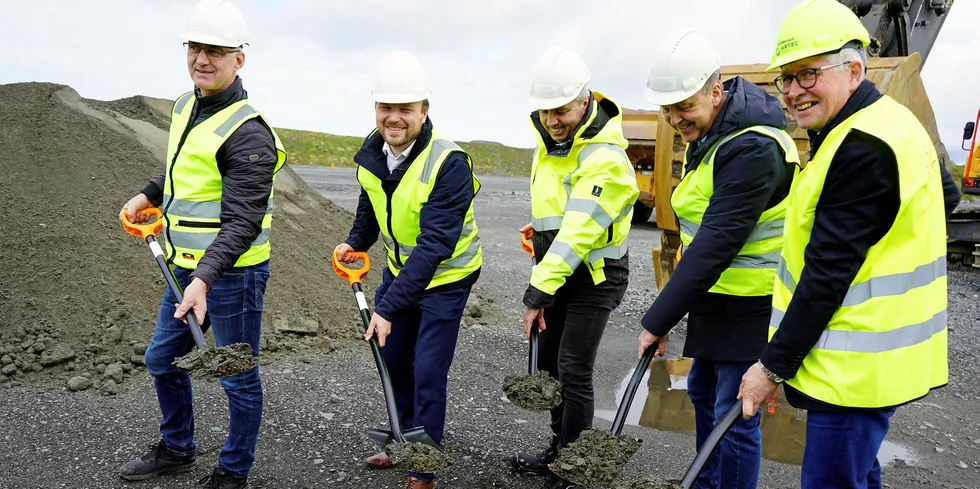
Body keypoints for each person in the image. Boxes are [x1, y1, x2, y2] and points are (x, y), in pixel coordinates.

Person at [737, 1, 961, 488]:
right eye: (786, 78)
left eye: (808, 75)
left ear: (854, 69)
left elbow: (826, 276)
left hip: (853, 368)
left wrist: (770, 367)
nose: (793, 91)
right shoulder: (894, 123)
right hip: (876, 359)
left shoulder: (862, 147)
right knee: (856, 475)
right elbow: (948, 195)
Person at [118, 0, 287, 488]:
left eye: (216, 51)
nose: (202, 59)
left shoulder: (248, 132)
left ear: (239, 59)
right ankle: (177, 448)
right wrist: (148, 193)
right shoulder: (185, 104)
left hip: (232, 276)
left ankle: (233, 472)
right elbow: (182, 169)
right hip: (185, 269)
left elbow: (243, 222)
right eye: (195, 47)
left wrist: (205, 281)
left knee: (236, 375)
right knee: (161, 359)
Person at [637, 29, 800, 489]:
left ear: (715, 90)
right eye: (667, 109)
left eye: (683, 106)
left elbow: (717, 242)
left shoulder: (755, 148)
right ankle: (706, 483)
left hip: (753, 302)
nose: (674, 118)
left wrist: (657, 319)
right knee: (704, 394)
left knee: (735, 412)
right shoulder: (714, 131)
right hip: (717, 297)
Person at [334, 50, 483, 489]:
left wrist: (387, 307)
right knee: (394, 361)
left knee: (428, 371)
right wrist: (355, 241)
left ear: (424, 110)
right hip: (401, 272)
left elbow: (435, 245)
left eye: (405, 109)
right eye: (386, 108)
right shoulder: (373, 153)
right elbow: (370, 206)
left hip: (447, 279)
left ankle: (424, 468)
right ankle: (402, 440)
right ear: (376, 108)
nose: (394, 118)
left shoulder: (448, 164)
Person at [510, 45, 639, 489]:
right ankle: (557, 449)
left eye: (562, 110)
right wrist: (540, 231)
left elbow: (579, 233)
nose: (553, 120)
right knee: (548, 365)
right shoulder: (550, 146)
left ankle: (574, 465)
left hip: (594, 278)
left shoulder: (606, 158)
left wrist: (536, 292)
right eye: (546, 111)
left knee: (573, 367)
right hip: (559, 267)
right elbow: (562, 213)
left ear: (585, 101)